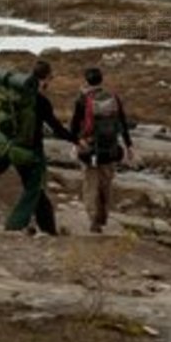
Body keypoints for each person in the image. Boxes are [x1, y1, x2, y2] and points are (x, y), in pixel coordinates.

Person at [3, 58, 75, 235]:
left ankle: (49, 229)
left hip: (13, 149)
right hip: (33, 152)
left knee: (36, 191)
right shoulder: (41, 102)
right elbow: (56, 128)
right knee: (33, 190)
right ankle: (14, 225)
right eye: (50, 78)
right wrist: (76, 140)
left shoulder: (16, 96)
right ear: (47, 78)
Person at [70, 64, 132, 233]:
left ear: (86, 81)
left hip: (89, 149)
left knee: (91, 185)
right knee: (106, 185)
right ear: (101, 80)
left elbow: (74, 125)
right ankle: (103, 217)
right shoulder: (113, 98)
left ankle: (94, 220)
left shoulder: (82, 99)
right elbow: (123, 124)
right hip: (110, 149)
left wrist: (76, 144)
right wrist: (129, 146)